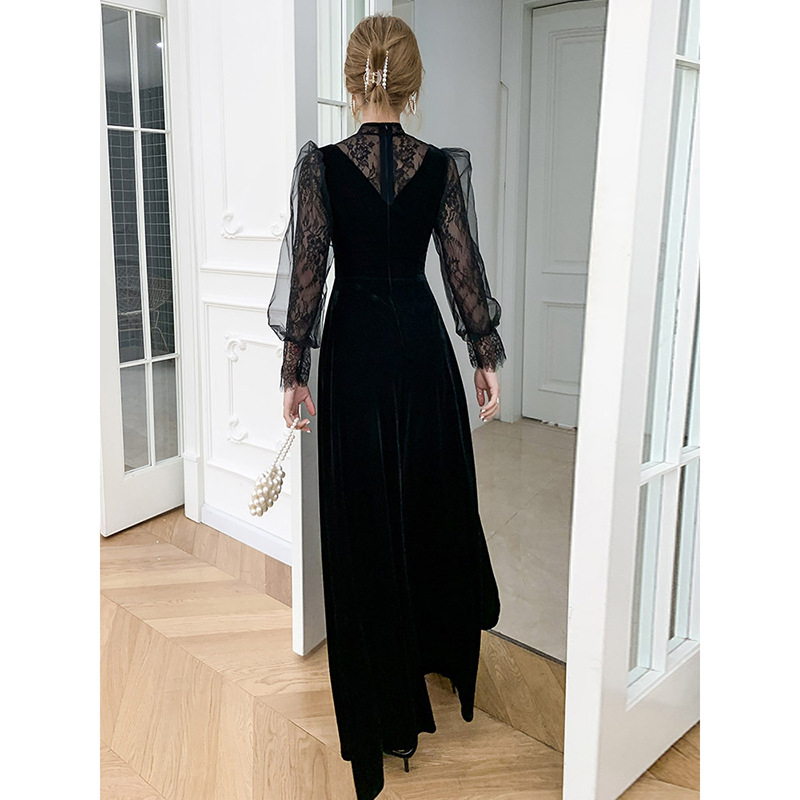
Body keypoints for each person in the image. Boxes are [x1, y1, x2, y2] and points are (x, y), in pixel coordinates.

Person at [267, 12, 506, 800]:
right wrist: (484, 357)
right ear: (411, 83)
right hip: (423, 353)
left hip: (357, 356)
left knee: (364, 519)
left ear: (352, 80)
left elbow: (308, 277)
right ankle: (432, 659)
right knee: (428, 505)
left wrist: (294, 369)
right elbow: (462, 271)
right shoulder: (439, 166)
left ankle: (382, 699)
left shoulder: (321, 168)